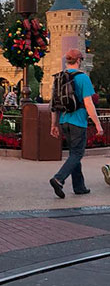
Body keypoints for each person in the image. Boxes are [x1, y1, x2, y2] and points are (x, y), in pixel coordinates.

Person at [49, 48, 103, 198]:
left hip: (64, 120)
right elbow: (89, 104)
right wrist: (98, 124)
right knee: (77, 153)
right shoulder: (83, 78)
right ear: (79, 61)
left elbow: (54, 104)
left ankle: (79, 187)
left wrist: (53, 124)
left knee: (74, 154)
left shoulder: (59, 77)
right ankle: (59, 179)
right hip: (78, 121)